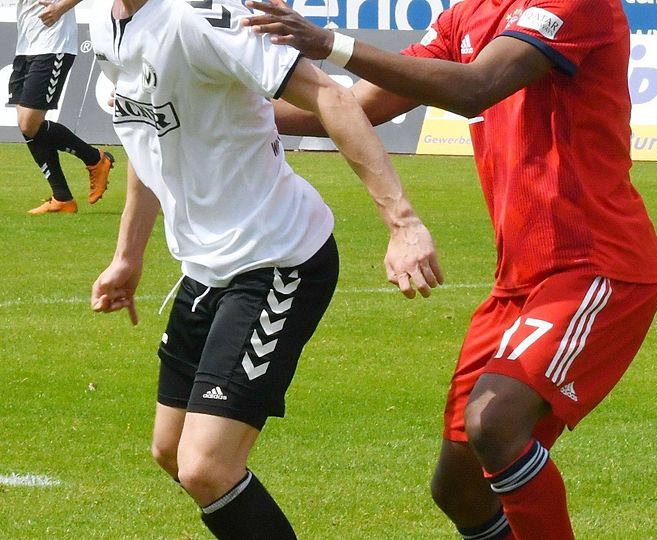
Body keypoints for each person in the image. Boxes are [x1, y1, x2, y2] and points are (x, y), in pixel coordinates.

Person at [244, 0, 657, 538]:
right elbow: (355, 106)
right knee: (459, 488)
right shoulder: (466, 15)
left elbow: (476, 87)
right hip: (517, 283)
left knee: (495, 423)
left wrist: (329, 44)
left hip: (595, 268)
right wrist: (231, 111)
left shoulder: (576, 4)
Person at [87, 0, 442, 537]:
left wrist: (404, 223)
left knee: (206, 467)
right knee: (171, 450)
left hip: (278, 259)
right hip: (204, 268)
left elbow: (331, 96)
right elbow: (147, 137)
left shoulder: (200, 15)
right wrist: (128, 257)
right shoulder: (102, 21)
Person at [8, 0, 114, 214]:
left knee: (29, 124)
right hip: (26, 44)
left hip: (53, 44)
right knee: (27, 125)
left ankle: (94, 159)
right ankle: (63, 198)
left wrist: (60, 8)